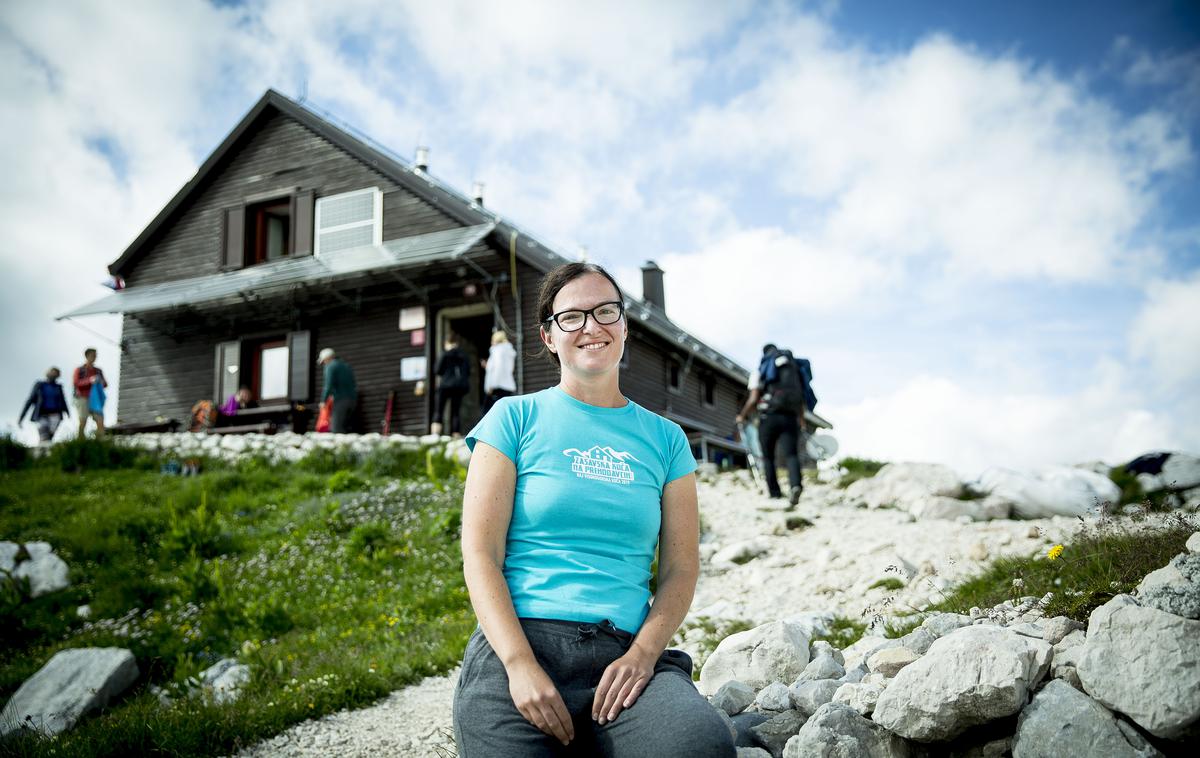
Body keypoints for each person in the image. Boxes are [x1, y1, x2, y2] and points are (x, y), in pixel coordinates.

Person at [452, 262, 734, 757]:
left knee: (701, 748)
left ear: (624, 326)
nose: (591, 326)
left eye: (606, 311)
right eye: (572, 317)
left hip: (624, 654)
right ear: (548, 336)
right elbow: (480, 553)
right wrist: (519, 664)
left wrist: (645, 655)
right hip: (519, 645)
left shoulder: (666, 440)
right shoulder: (513, 419)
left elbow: (680, 569)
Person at [736, 343, 806, 507]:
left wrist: (742, 415)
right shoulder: (793, 369)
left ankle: (775, 493)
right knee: (792, 455)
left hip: (769, 417)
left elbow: (753, 398)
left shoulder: (761, 369)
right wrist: (801, 420)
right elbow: (800, 399)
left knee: (768, 457)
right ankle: (795, 485)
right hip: (790, 417)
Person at [19, 367, 70, 445]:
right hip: (41, 414)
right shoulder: (40, 385)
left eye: (56, 374)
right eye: (52, 372)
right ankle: (43, 451)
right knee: (43, 435)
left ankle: (45, 452)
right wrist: (21, 418)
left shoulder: (58, 387)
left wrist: (67, 412)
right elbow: (30, 400)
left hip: (55, 415)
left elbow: (63, 401)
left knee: (50, 435)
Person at [433, 335, 471, 435]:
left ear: (447, 343)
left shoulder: (445, 354)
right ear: (457, 344)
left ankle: (435, 434)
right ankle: (456, 434)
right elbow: (468, 372)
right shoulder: (463, 355)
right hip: (458, 387)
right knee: (456, 412)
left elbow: (437, 370)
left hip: (445, 385)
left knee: (439, 409)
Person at [318, 348, 357, 433]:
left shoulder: (331, 366)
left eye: (323, 361)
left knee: (336, 428)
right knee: (347, 428)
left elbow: (328, 385)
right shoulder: (346, 366)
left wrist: (323, 401)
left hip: (341, 400)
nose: (324, 363)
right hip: (353, 400)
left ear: (327, 358)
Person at [72, 348, 107, 438]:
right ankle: (80, 439)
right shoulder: (79, 370)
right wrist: (89, 381)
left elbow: (105, 384)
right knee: (83, 420)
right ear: (87, 356)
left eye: (95, 355)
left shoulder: (98, 371)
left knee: (100, 419)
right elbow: (76, 383)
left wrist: (100, 381)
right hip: (82, 398)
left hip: (95, 399)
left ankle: (100, 440)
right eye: (92, 355)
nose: (94, 357)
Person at [481, 329, 517, 415]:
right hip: (508, 386)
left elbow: (497, 368)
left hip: (497, 387)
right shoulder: (508, 351)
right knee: (505, 413)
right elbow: (510, 369)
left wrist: (491, 386)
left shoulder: (497, 350)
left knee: (489, 413)